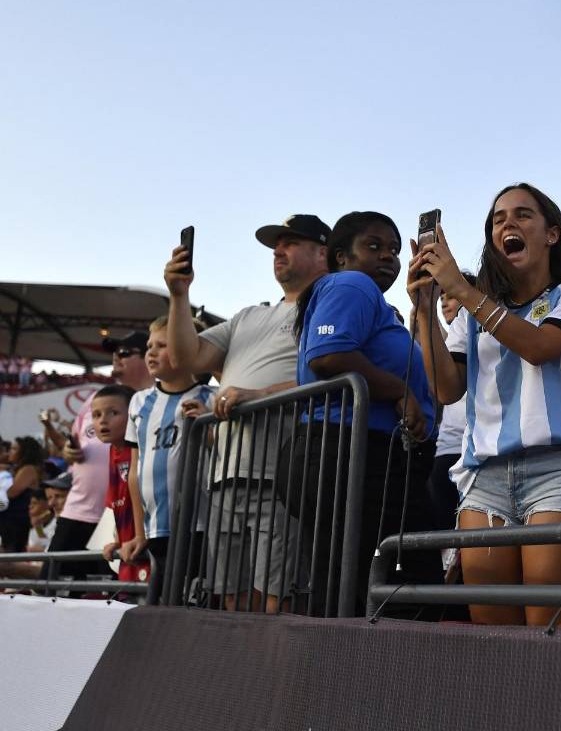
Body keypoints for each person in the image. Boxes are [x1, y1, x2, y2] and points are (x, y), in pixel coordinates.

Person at [409, 183, 561, 626]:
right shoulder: (471, 313)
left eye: (522, 215)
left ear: (552, 234)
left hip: (557, 471)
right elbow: (446, 389)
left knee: (547, 632)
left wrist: (463, 290)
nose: (507, 224)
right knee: (493, 637)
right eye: (498, 220)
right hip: (485, 477)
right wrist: (424, 310)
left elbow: (539, 347)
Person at [164, 213, 329, 613]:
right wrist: (179, 296)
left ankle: (279, 659)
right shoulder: (248, 316)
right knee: (231, 599)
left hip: (281, 478)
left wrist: (259, 394)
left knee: (278, 600)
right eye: (276, 245)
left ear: (323, 253)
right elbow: (185, 358)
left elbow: (333, 375)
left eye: (290, 242)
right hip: (224, 478)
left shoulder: (328, 308)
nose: (278, 251)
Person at [290, 211, 439, 615]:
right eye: (373, 246)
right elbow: (329, 355)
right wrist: (398, 391)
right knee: (403, 592)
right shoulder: (352, 283)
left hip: (360, 456)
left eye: (394, 249)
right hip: (352, 455)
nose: (387, 256)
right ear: (341, 256)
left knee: (351, 592)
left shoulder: (371, 300)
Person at [48, 331, 153, 581]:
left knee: (118, 586)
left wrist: (138, 534)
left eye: (124, 353)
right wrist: (67, 452)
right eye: (114, 353)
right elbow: (72, 445)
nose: (116, 357)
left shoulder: (158, 403)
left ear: (148, 356)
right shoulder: (96, 400)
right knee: (54, 583)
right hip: (86, 512)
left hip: (136, 525)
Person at [125, 318, 215, 603]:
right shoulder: (139, 402)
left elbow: (225, 453)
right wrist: (140, 533)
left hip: (200, 525)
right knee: (161, 602)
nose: (151, 352)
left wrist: (209, 427)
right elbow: (134, 471)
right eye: (149, 345)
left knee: (191, 604)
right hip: (156, 526)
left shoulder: (211, 398)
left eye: (162, 345)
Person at [427, 271, 477, 533]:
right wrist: (423, 311)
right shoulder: (442, 343)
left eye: (451, 295)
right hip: (446, 450)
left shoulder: (488, 332)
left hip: (477, 452)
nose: (445, 302)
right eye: (441, 298)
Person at [90, 384, 152, 587]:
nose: (103, 421)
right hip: (128, 548)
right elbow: (119, 504)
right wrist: (118, 540)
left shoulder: (141, 448)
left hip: (148, 546)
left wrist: (139, 536)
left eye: (113, 413)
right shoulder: (112, 451)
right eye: (96, 415)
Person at [0, 437, 44, 552]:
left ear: (24, 452)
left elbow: (11, 493)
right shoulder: (18, 469)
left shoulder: (28, 469)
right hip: (13, 521)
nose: (10, 452)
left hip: (19, 521)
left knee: (14, 553)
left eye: (14, 449)